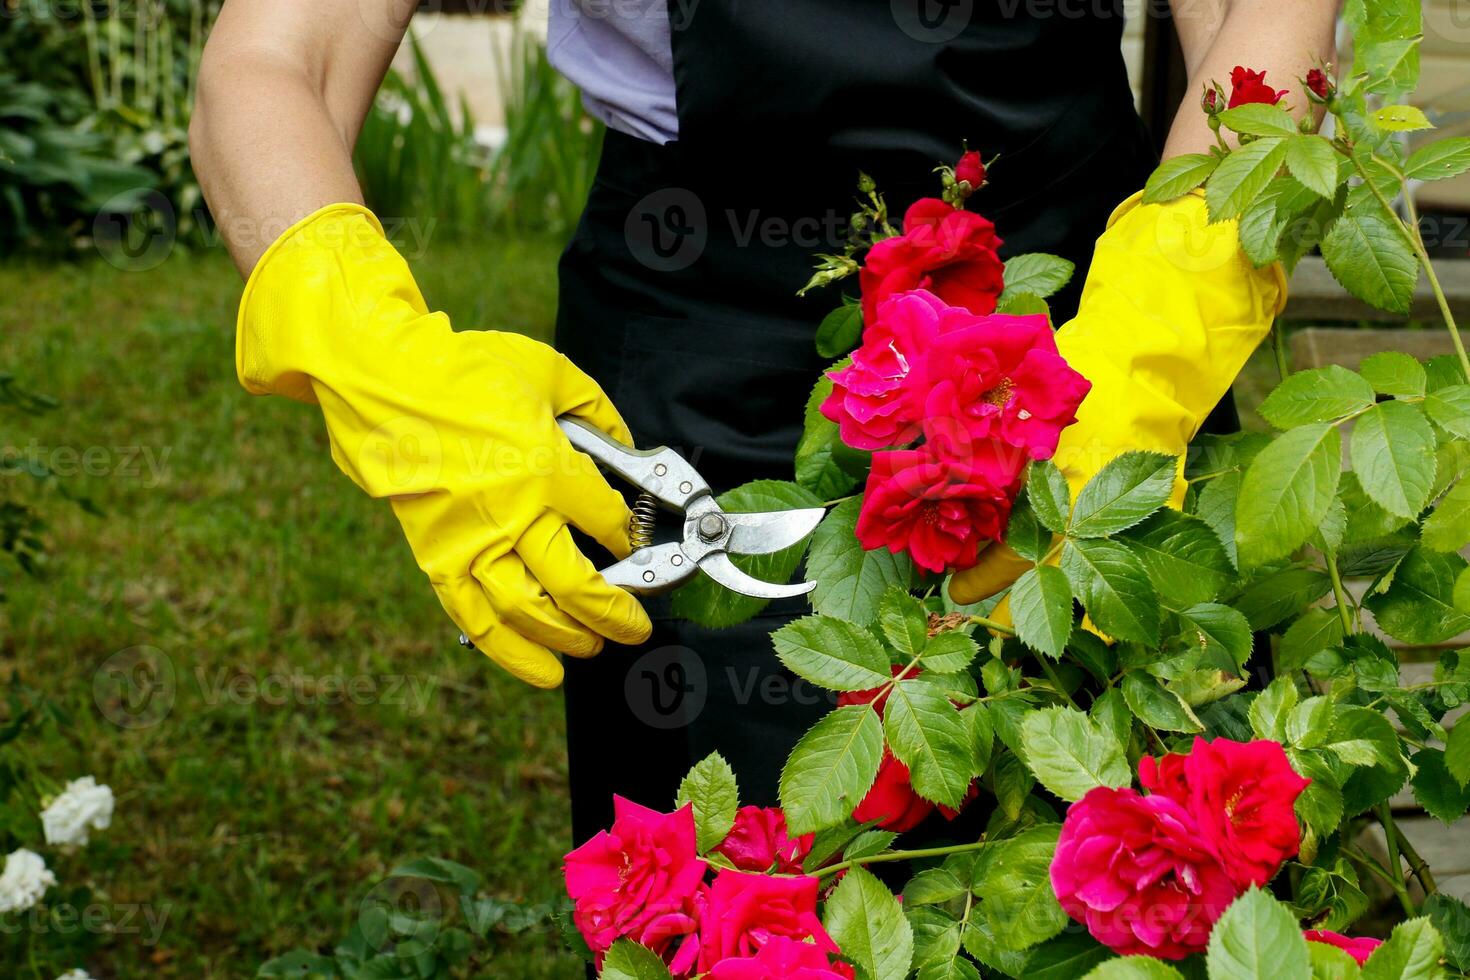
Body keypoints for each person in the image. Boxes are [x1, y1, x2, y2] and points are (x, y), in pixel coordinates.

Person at [189, 0, 1337, 849]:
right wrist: (380, 364)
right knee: (745, 895)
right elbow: (277, 57)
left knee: (1132, 867)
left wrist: (1152, 346)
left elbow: (1269, 19)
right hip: (695, 340)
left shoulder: (1124, 349)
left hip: (1082, 320)